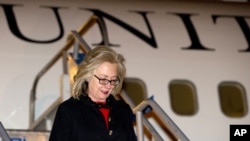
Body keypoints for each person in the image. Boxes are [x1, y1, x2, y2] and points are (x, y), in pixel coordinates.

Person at [49, 46, 137, 141]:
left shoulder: (123, 109)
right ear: (87, 76)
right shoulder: (69, 110)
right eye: (103, 79)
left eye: (113, 80)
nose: (108, 86)